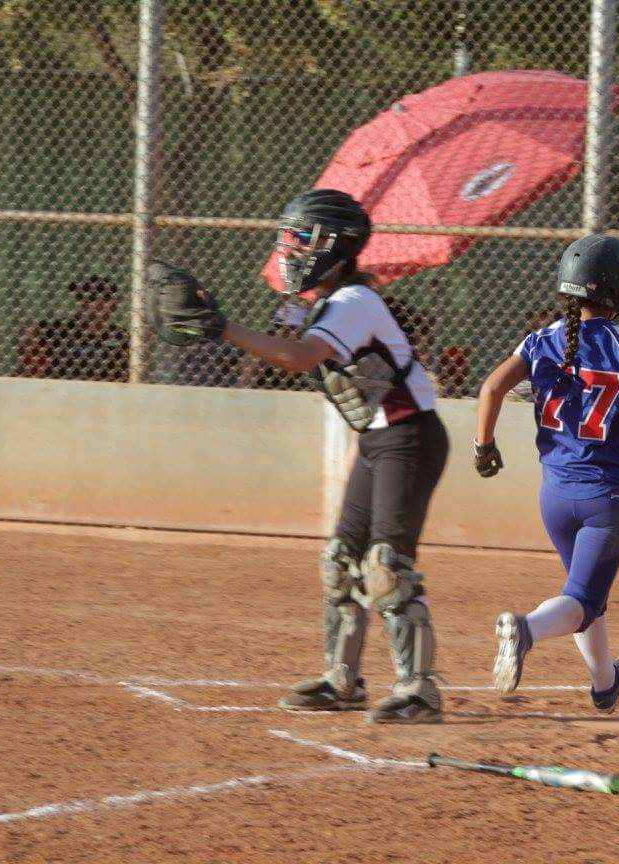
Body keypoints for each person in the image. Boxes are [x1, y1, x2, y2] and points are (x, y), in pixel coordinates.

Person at [149, 189, 448, 724]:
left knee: (386, 568)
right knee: (341, 563)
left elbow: (297, 358)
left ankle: (419, 691)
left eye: (304, 238)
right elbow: (295, 352)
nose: (291, 249)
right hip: (380, 440)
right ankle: (342, 681)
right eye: (290, 237)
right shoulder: (329, 304)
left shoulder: (355, 303)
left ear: (338, 246)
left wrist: (222, 327)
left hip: (410, 439)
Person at [472, 234, 619, 714]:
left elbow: (491, 388)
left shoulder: (540, 341)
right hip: (608, 498)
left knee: (587, 594)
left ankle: (605, 684)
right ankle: (526, 629)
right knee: (581, 598)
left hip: (554, 495)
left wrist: (484, 446)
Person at [16, 275, 130, 382]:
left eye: (91, 298)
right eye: (80, 297)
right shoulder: (61, 329)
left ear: (110, 304)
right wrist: (29, 333)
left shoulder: (119, 337)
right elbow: (25, 342)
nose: (83, 302)